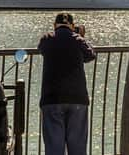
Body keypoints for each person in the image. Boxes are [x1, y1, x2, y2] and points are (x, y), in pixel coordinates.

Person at [38, 13, 96, 155]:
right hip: (78, 99)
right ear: (72, 25)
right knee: (77, 147)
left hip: (52, 99)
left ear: (54, 25)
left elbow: (41, 49)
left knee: (54, 146)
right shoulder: (78, 40)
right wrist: (81, 36)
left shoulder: (47, 39)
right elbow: (91, 55)